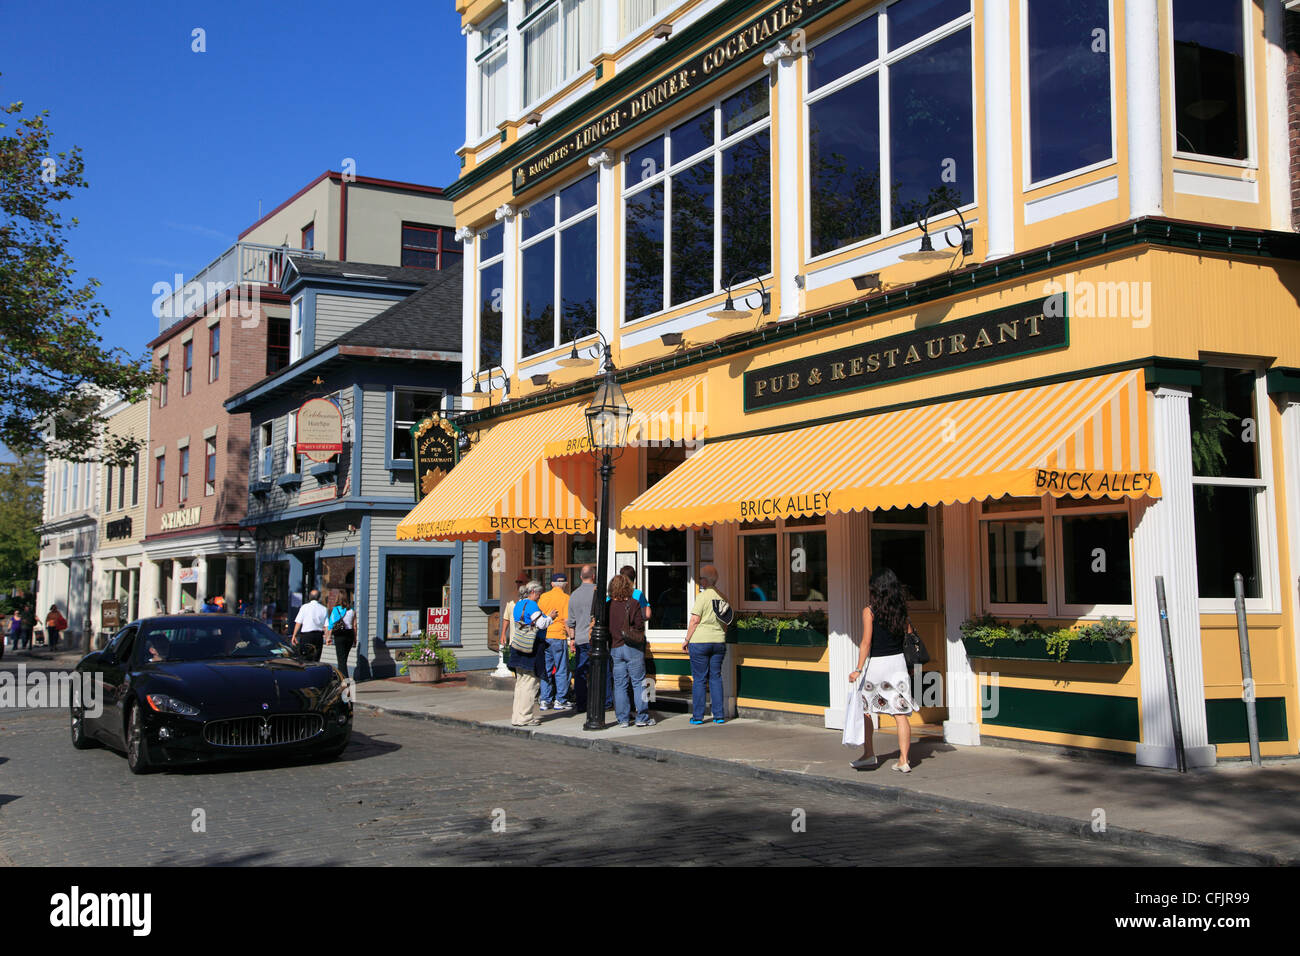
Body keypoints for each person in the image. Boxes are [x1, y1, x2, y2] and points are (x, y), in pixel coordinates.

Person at [846, 568, 920, 773]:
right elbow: (909, 636)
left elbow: (866, 643)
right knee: (900, 714)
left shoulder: (869, 611)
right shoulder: (901, 611)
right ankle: (904, 760)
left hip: (877, 666)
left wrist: (858, 669)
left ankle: (869, 754)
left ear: (876, 589)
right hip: (898, 665)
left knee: (866, 711)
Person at [682, 565, 728, 725]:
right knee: (715, 677)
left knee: (700, 679)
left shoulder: (702, 597)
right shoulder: (722, 597)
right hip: (718, 641)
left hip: (700, 641)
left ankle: (698, 716)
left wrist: (686, 639)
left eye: (701, 578)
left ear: (706, 580)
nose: (699, 580)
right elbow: (726, 621)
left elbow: (695, 620)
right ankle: (719, 715)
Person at [608, 573, 654, 728]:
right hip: (632, 647)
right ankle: (642, 717)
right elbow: (640, 625)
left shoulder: (608, 605)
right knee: (638, 682)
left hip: (615, 647)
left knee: (620, 684)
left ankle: (623, 719)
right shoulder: (633, 603)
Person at [509, 581, 552, 726]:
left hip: (518, 646)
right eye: (539, 594)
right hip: (531, 648)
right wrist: (550, 617)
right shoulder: (532, 605)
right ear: (533, 592)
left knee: (520, 683)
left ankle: (517, 716)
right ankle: (525, 717)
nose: (539, 597)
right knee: (530, 683)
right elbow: (541, 624)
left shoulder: (518, 604)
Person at [537, 572, 571, 712]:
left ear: (551, 584)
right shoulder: (566, 598)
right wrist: (572, 638)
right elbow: (567, 620)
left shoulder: (543, 597)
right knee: (562, 669)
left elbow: (538, 616)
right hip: (559, 635)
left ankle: (545, 699)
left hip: (545, 636)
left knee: (546, 669)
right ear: (565, 584)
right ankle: (560, 700)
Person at [565, 565, 598, 711]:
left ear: (580, 577)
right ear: (594, 576)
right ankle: (605, 702)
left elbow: (571, 622)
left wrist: (572, 639)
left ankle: (581, 702)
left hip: (580, 639)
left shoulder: (574, 595)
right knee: (601, 671)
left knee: (580, 672)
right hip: (596, 638)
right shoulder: (598, 593)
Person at [291, 589, 328, 662]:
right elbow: (327, 625)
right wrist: (327, 637)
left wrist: (294, 635)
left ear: (309, 597)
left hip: (306, 635)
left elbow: (298, 622)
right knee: (316, 658)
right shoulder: (324, 609)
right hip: (318, 636)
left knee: (305, 657)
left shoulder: (304, 607)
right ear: (319, 597)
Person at [325, 596, 357, 679]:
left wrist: (328, 637)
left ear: (337, 600)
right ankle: (342, 678)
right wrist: (355, 639)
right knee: (344, 659)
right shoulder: (352, 611)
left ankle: (344, 679)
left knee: (341, 660)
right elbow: (354, 626)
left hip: (339, 635)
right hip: (349, 635)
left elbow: (331, 624)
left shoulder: (336, 610)